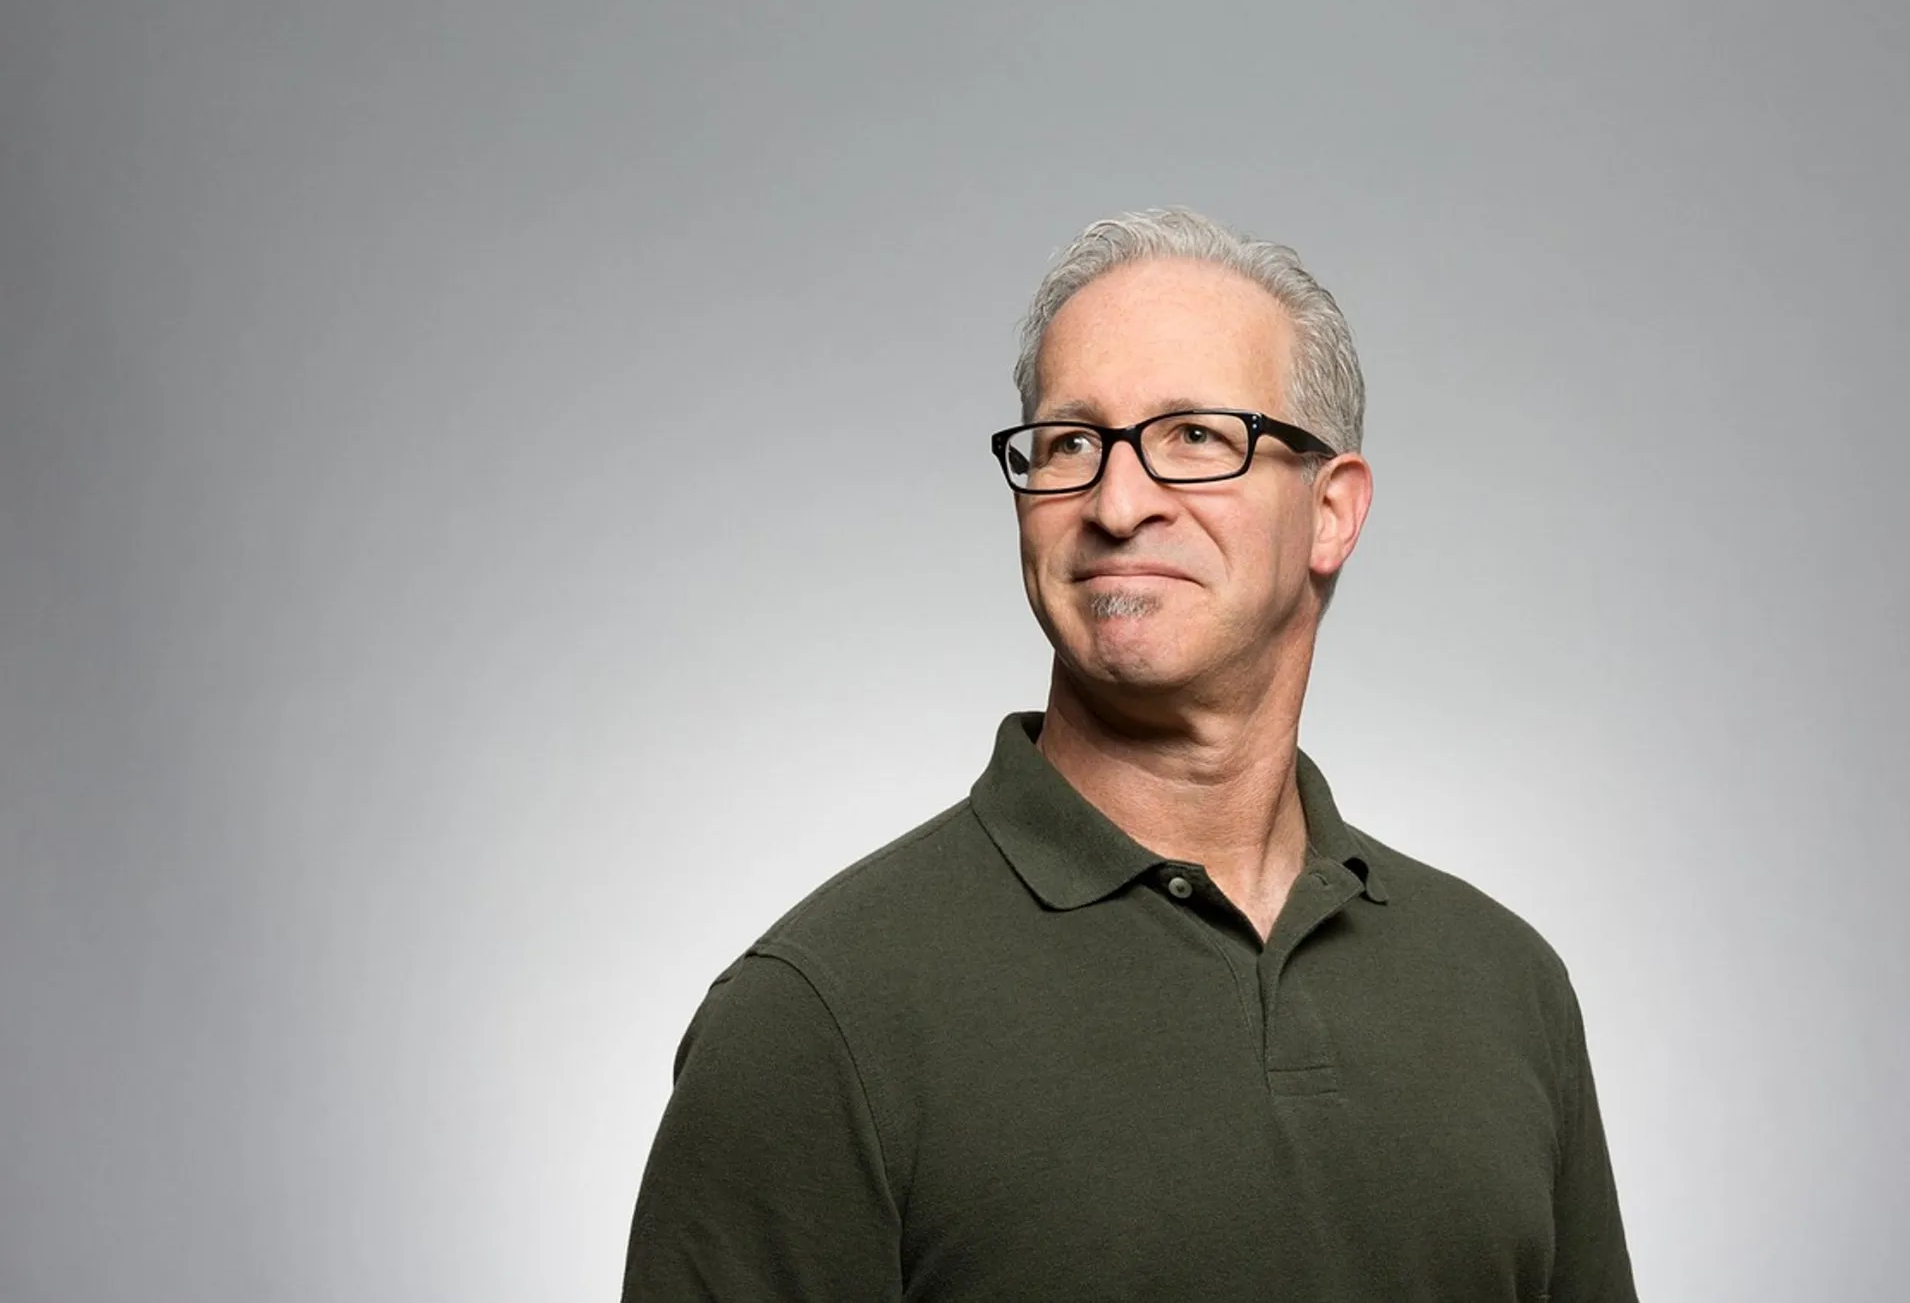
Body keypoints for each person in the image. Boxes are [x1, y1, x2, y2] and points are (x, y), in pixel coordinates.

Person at [621, 208, 1637, 1302]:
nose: (1114, 502)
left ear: (1332, 511)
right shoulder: (818, 1018)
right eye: (1069, 444)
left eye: (1196, 435)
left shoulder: (1505, 986)